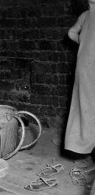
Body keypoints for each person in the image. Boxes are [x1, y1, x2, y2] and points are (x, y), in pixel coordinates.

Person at [64, 0, 95, 189]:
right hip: (85, 70)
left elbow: (71, 33)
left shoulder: (85, 15)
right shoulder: (84, 15)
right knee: (87, 111)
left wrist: (84, 42)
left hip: (87, 68)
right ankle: (90, 151)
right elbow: (71, 32)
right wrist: (84, 43)